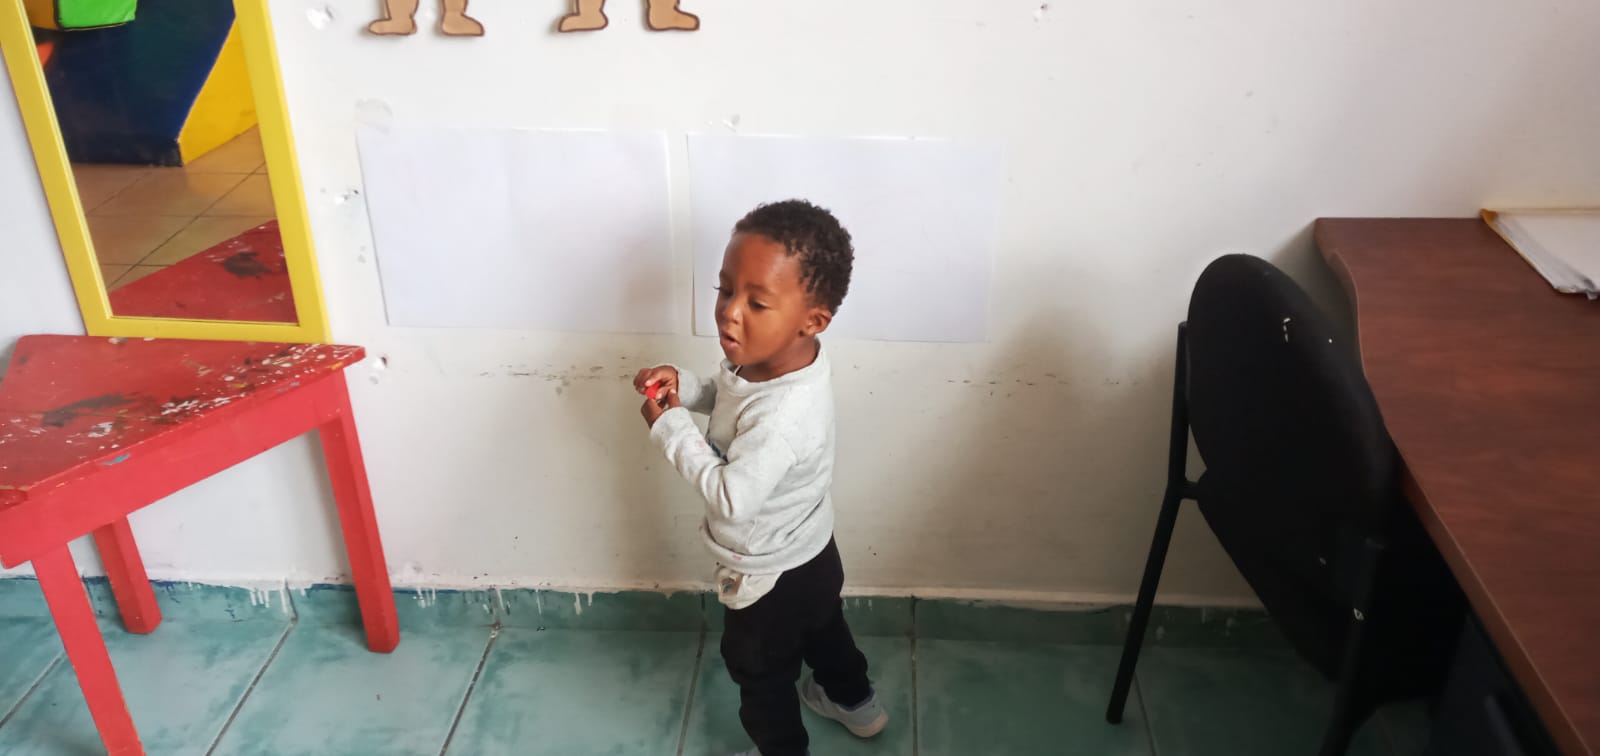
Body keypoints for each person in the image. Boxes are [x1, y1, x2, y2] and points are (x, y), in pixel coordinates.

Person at [635, 200, 886, 756]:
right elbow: (733, 399)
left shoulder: (782, 419)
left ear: (812, 320)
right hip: (812, 548)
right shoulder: (779, 360)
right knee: (825, 628)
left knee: (760, 673)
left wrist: (671, 428)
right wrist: (686, 388)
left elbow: (732, 498)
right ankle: (856, 703)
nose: (729, 312)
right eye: (725, 290)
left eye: (756, 302)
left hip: (767, 575)